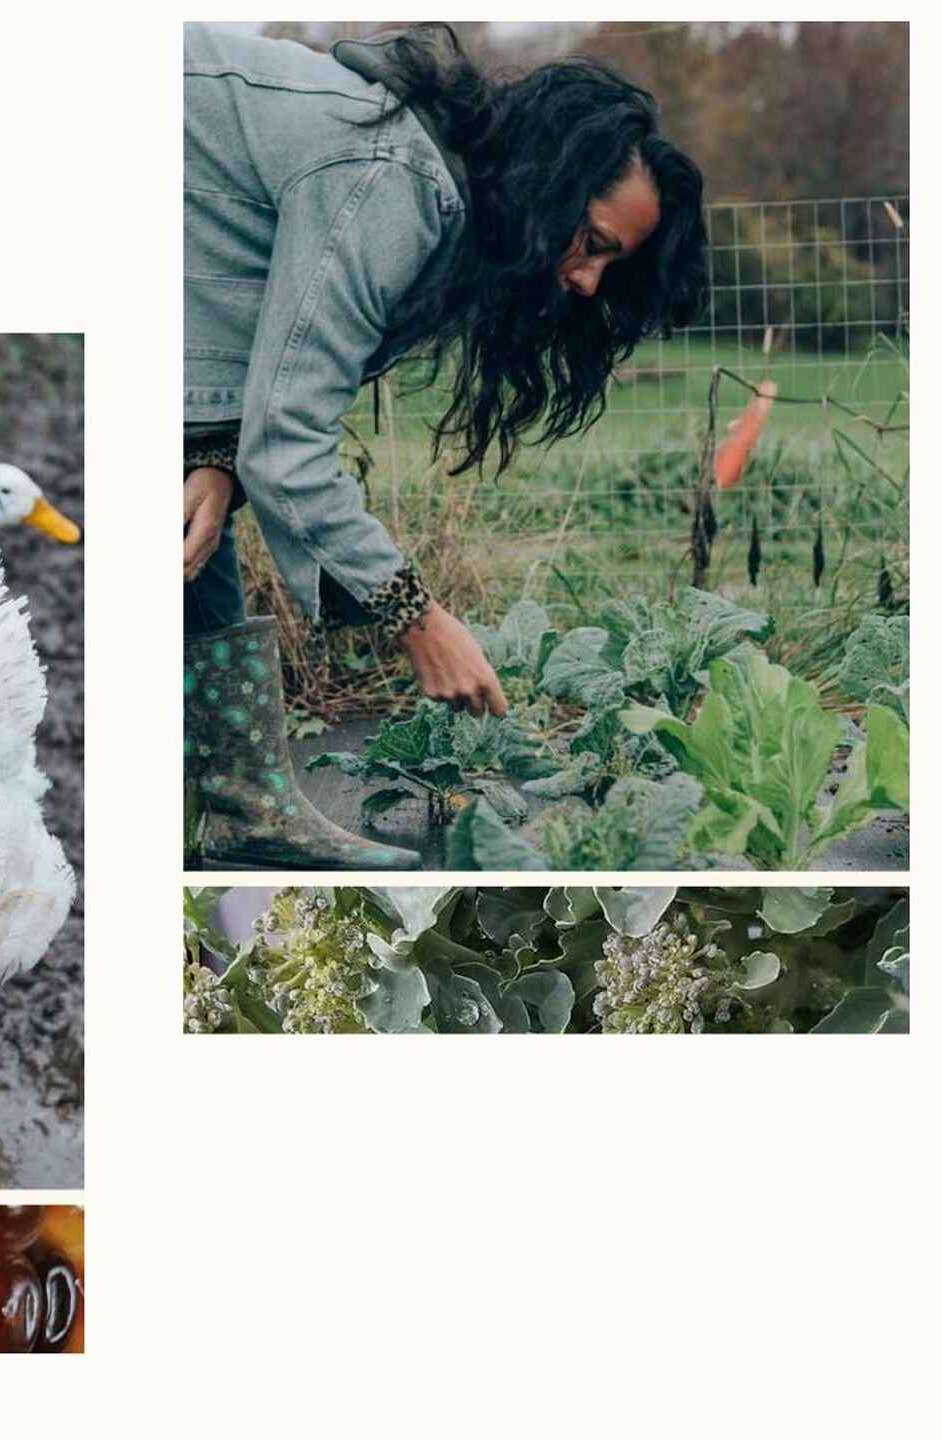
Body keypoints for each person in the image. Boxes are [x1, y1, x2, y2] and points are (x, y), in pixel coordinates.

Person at [181, 23, 708, 869]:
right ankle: (232, 814)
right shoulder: (392, 185)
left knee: (184, 527)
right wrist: (417, 619)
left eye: (612, 268)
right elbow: (289, 443)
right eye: (595, 244)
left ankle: (247, 808)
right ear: (551, 181)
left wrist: (211, 454)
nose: (587, 282)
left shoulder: (435, 197)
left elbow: (256, 331)